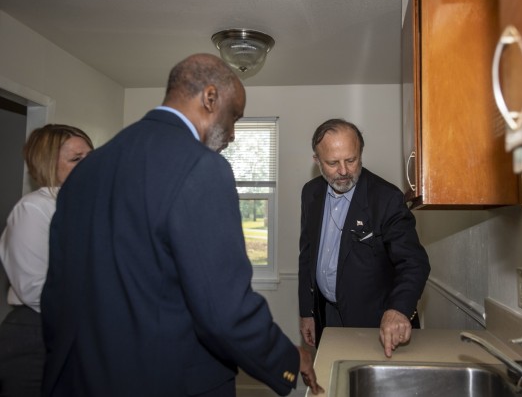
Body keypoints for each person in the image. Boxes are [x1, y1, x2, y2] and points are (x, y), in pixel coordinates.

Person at [40, 53, 322, 397]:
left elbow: (57, 298)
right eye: (234, 117)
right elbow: (223, 311)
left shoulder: (87, 170)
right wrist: (289, 358)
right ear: (210, 97)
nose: (233, 134)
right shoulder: (201, 167)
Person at [298, 118, 430, 358]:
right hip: (326, 315)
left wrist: (398, 310)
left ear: (361, 153)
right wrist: (307, 311)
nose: (344, 171)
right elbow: (307, 254)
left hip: (376, 323)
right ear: (316, 161)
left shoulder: (387, 198)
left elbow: (414, 263)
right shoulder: (310, 193)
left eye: (351, 159)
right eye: (332, 163)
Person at [0, 124, 93, 397]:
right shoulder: (34, 209)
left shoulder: (84, 207)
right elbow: (34, 288)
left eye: (91, 156)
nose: (89, 165)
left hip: (74, 328)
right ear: (48, 165)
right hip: (36, 331)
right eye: (76, 159)